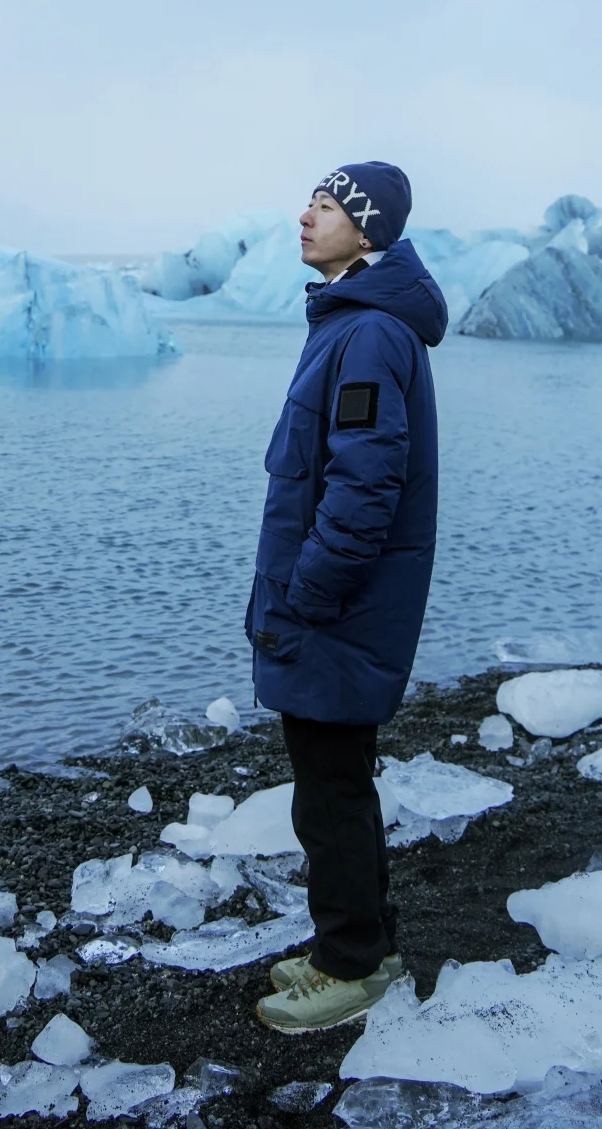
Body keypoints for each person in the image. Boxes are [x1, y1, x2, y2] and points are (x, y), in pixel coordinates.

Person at [247, 161, 447, 1034]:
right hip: (335, 604)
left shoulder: (367, 333)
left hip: (336, 609)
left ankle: (350, 967)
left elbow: (364, 484)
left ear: (365, 232)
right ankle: (366, 943)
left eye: (324, 207)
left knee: (328, 793)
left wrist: (308, 592)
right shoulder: (353, 321)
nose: (304, 216)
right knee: (338, 784)